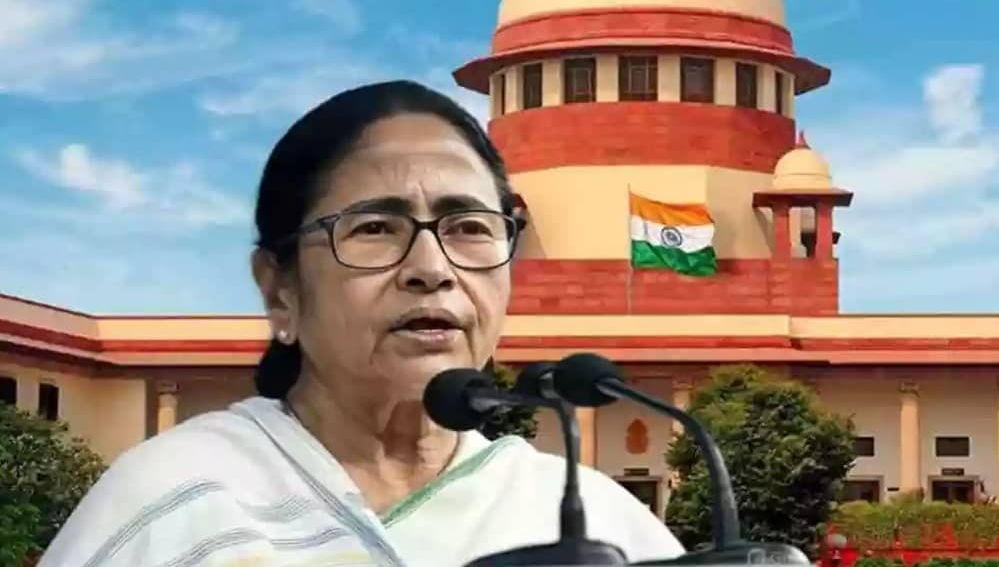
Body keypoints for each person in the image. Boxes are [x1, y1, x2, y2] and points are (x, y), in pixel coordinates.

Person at [39, 80, 686, 567]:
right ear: (279, 289)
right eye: (376, 228)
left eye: (469, 227)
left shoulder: (595, 523)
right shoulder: (176, 503)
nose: (431, 268)